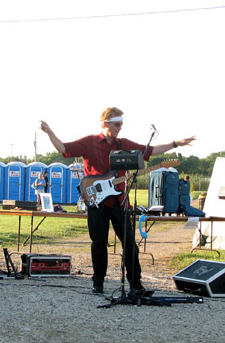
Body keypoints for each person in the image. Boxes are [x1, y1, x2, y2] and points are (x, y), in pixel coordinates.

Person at [40, 107, 196, 297]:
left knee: (130, 244)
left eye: (121, 124)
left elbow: (151, 151)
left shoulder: (123, 144)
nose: (119, 127)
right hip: (97, 201)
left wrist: (175, 144)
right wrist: (49, 132)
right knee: (99, 243)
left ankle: (136, 284)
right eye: (116, 124)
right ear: (105, 124)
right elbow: (64, 149)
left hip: (119, 201)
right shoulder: (90, 142)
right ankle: (98, 282)